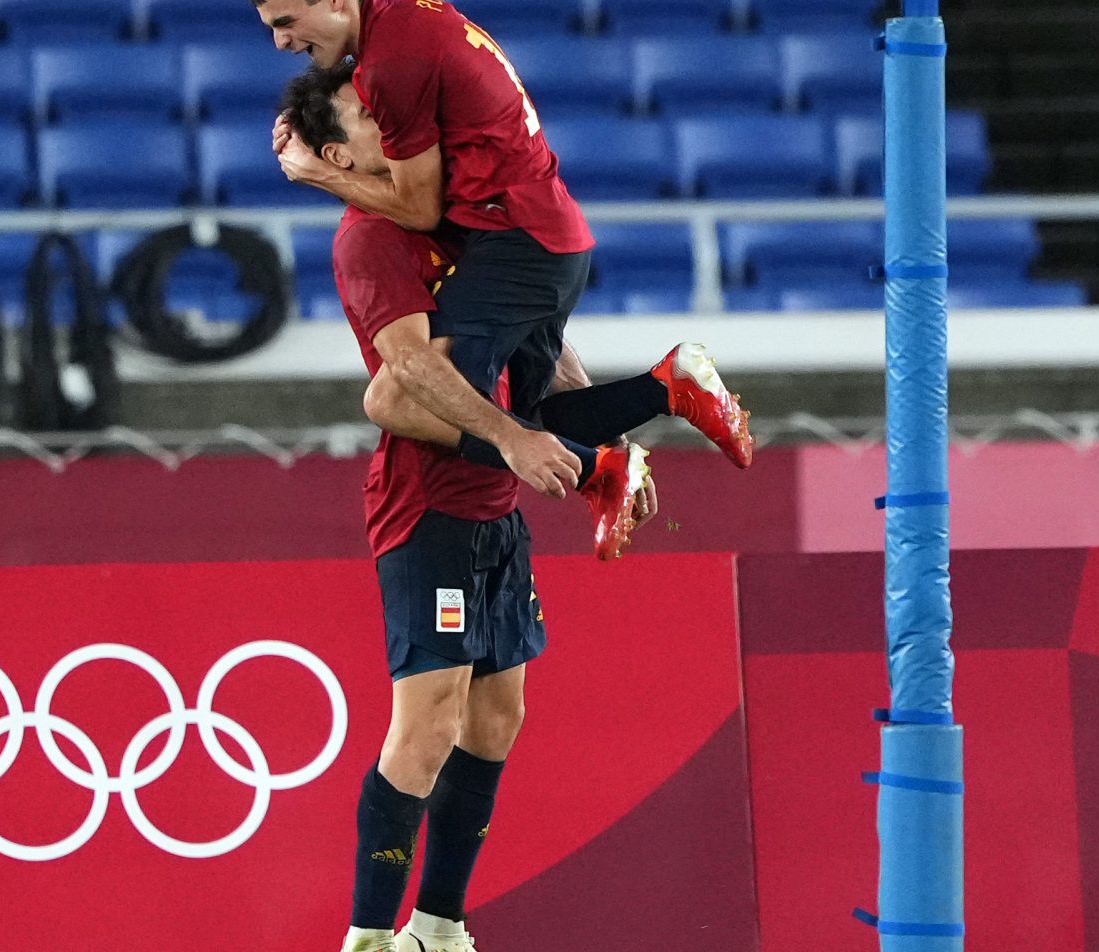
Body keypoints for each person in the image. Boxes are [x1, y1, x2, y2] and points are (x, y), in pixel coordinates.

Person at [278, 61, 754, 952]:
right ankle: (368, 937)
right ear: (341, 153)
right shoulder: (370, 242)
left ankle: (440, 927)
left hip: (498, 500)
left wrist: (589, 411)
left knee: (497, 721)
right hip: (430, 504)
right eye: (369, 117)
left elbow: (534, 329)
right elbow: (403, 383)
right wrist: (530, 440)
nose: (395, 120)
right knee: (427, 726)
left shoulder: (450, 210)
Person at [254, 0, 756, 517]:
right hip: (547, 234)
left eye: (286, 23)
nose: (280, 42)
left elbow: (419, 209)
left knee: (397, 401)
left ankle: (609, 464)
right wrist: (614, 433)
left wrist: (314, 172)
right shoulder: (407, 22)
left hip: (516, 237)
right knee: (520, 412)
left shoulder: (391, 66)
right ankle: (659, 396)